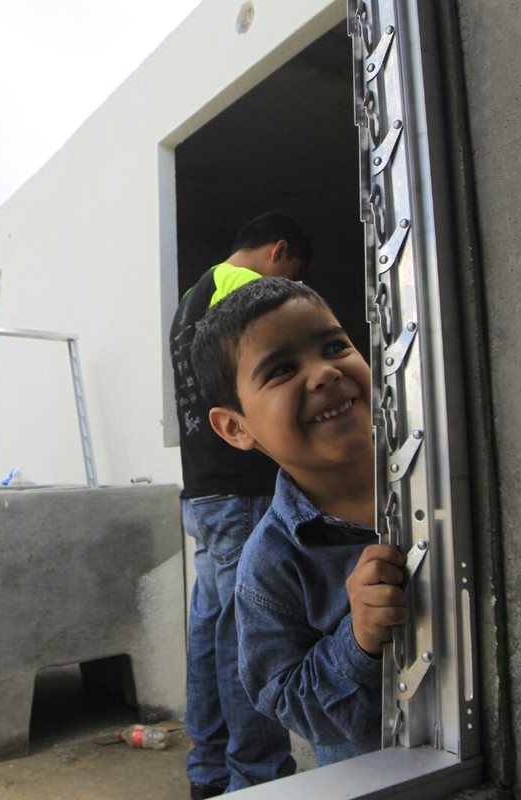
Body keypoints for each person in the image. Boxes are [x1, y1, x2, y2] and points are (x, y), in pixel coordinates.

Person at [190, 278, 407, 765]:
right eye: (282, 369)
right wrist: (359, 642)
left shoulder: (442, 471)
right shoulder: (270, 567)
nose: (325, 373)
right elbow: (292, 705)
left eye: (334, 346)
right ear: (236, 427)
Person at [169, 212, 309, 797]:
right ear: (279, 251)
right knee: (250, 636)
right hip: (242, 490)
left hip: (203, 492)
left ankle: (208, 771)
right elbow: (275, 381)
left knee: (210, 629)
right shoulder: (247, 291)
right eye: (294, 272)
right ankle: (255, 779)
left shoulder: (191, 297)